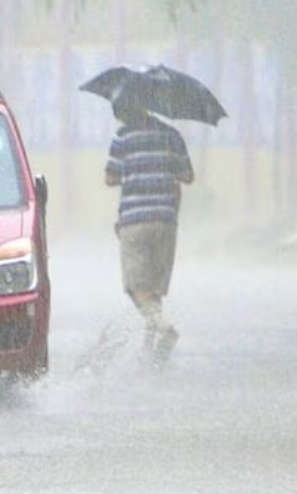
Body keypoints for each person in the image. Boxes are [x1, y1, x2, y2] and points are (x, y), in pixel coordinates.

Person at [104, 100, 194, 366]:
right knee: (153, 288)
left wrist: (133, 170)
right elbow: (187, 176)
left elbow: (110, 178)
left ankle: (164, 329)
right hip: (166, 220)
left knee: (136, 287)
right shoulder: (171, 135)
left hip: (134, 220)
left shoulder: (123, 138)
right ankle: (150, 350)